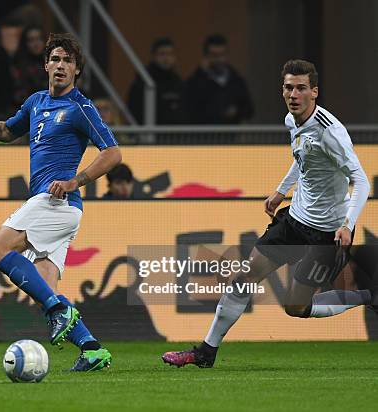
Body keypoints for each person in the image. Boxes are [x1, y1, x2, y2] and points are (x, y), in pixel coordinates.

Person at [162, 59, 373, 368]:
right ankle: (206, 352)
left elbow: (362, 181)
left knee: (295, 306)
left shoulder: (331, 133)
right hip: (294, 221)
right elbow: (302, 159)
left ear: (314, 92)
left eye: (301, 88)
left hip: (326, 233)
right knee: (244, 278)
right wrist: (280, 190)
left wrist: (347, 225)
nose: (294, 94)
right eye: (289, 88)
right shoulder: (292, 120)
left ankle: (367, 296)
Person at [0, 33, 120, 372]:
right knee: (45, 288)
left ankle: (59, 311)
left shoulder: (80, 107)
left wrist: (76, 180)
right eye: (55, 59)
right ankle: (92, 349)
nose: (60, 66)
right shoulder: (35, 102)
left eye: (68, 61)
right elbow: (5, 131)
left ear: (77, 70)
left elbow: (113, 153)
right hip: (53, 207)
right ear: (45, 64)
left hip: (56, 202)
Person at [185, 34, 253, 124]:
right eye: (214, 55)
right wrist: (201, 74)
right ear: (206, 56)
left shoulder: (235, 80)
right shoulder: (196, 80)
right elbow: (188, 108)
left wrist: (236, 111)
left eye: (222, 55)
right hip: (203, 135)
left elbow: (249, 109)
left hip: (229, 134)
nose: (219, 59)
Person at [128, 37, 186, 124]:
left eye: (170, 54)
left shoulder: (178, 81)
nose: (166, 58)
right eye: (162, 54)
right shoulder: (144, 81)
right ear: (153, 56)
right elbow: (134, 109)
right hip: (149, 133)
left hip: (175, 135)